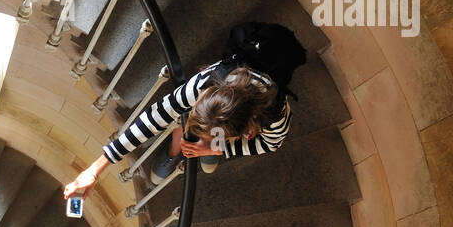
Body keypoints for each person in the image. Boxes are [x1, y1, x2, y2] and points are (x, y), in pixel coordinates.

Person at [64, 21, 305, 198]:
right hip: (247, 69)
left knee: (206, 144)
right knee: (179, 119)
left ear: (245, 129)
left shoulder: (274, 117)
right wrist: (96, 168)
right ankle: (179, 140)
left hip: (272, 63)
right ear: (207, 96)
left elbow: (270, 144)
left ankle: (205, 150)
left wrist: (219, 149)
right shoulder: (207, 82)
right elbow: (156, 116)